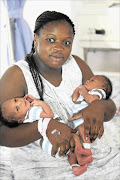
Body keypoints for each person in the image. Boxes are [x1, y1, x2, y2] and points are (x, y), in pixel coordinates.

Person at [0, 11, 116, 178]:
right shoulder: (16, 75)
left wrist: (99, 106)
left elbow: (109, 106)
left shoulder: (78, 65)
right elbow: (2, 134)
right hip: (45, 162)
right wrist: (45, 126)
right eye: (51, 40)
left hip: (94, 154)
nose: (59, 47)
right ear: (35, 39)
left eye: (66, 42)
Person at [0, 94, 93, 176]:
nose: (19, 103)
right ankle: (81, 158)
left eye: (15, 100)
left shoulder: (26, 120)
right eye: (17, 108)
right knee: (74, 137)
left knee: (70, 153)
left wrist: (32, 101)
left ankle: (74, 167)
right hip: (56, 139)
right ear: (19, 120)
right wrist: (40, 102)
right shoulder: (32, 112)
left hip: (51, 147)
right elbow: (49, 114)